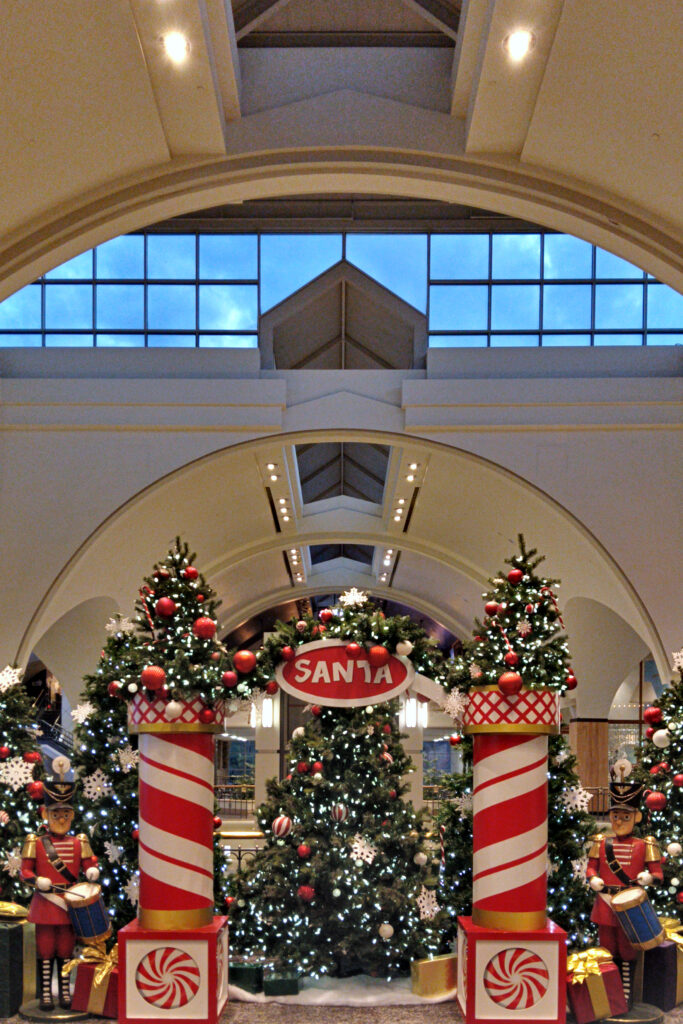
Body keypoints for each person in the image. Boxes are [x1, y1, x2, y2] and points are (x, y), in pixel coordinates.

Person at [21, 770, 100, 1011]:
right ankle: (46, 992)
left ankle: (65, 992)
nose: (62, 818)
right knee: (45, 950)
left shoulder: (80, 841)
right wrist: (37, 881)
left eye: (66, 813)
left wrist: (93, 872)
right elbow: (25, 872)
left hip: (69, 904)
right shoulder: (35, 841)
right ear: (46, 813)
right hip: (45, 903)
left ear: (72, 815)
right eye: (56, 813)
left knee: (66, 950)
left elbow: (89, 865)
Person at [586, 776, 662, 964]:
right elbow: (591, 868)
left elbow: (658, 875)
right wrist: (592, 878)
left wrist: (649, 878)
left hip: (631, 906)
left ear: (636, 817)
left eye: (625, 817)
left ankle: (628, 988)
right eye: (616, 817)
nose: (619, 822)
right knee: (606, 951)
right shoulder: (601, 842)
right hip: (605, 902)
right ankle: (608, 989)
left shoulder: (645, 844)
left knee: (629, 951)